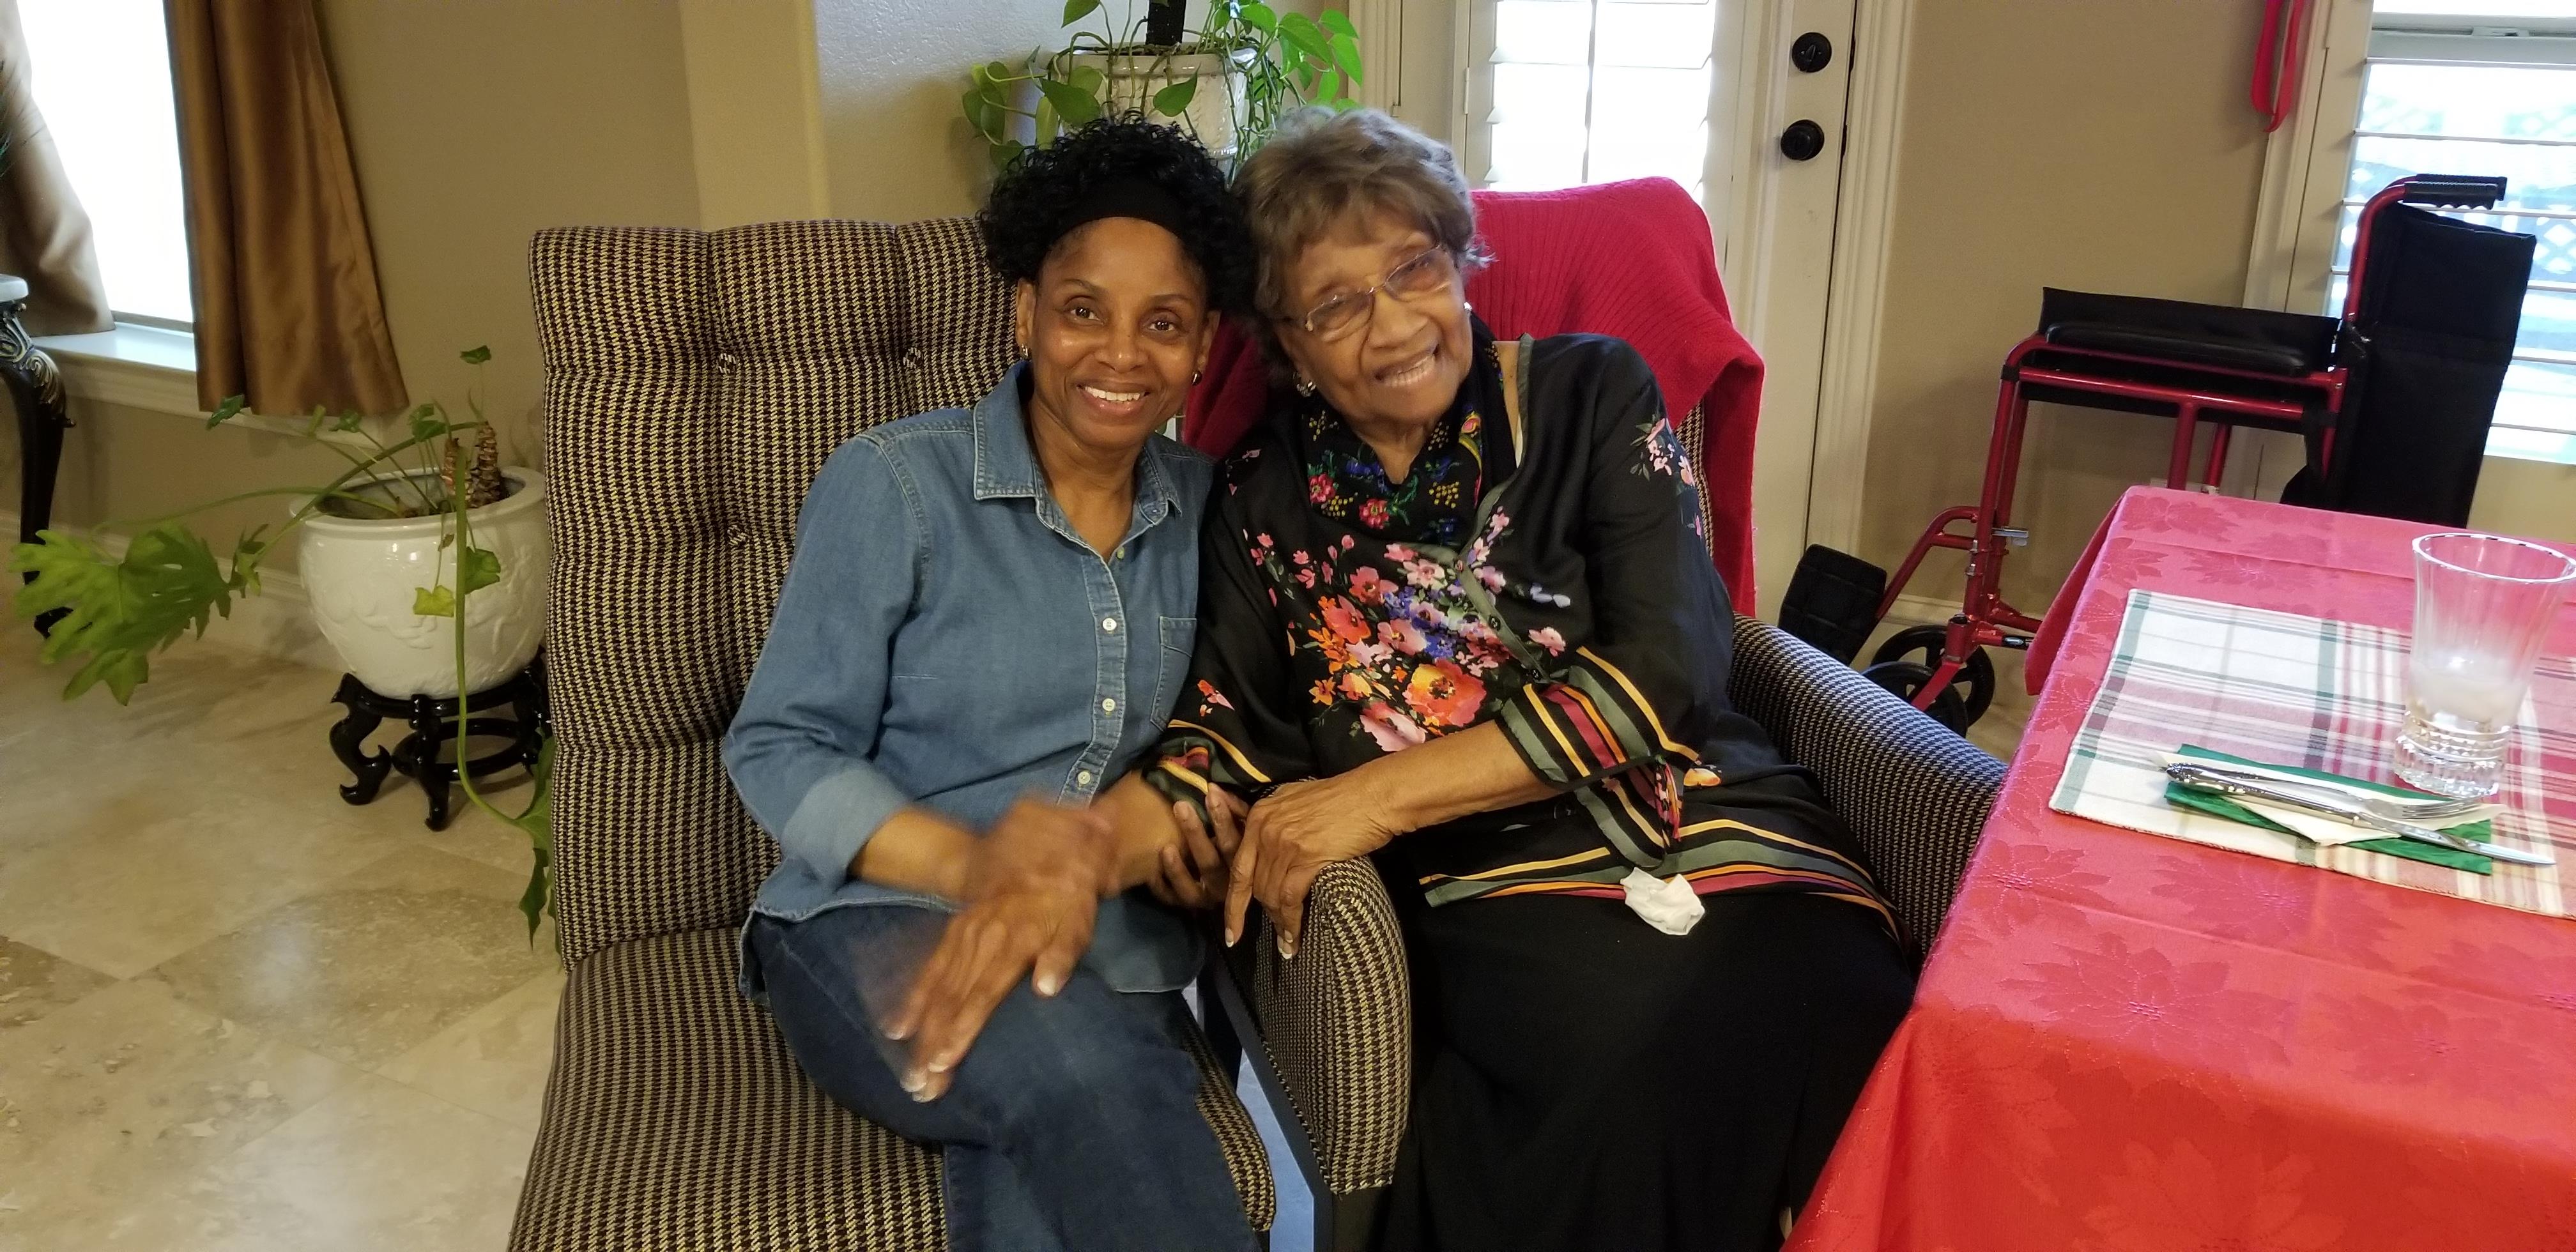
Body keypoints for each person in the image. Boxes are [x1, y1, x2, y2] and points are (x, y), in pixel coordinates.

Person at [1145, 107, 1916, 1252]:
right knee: (1608, 1042)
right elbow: (1229, 726)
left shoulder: (1591, 392)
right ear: (1288, 346)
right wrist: (1151, 820)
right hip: (1499, 890)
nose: (1395, 323)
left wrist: (1372, 798)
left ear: (1461, 264)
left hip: (1727, 829)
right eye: (1337, 304)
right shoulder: (1263, 502)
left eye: (1415, 267)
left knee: (1843, 1005)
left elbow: (1672, 659)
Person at [724, 117, 1261, 1252]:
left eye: (1162, 323)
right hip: (873, 918)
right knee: (1095, 1080)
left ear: (1205, 345)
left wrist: (1182, 829)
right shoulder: (898, 485)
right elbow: (778, 741)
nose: (1120, 354)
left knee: (1059, 1146)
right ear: (1024, 311)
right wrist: (986, 873)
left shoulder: (1217, 514)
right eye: (1082, 310)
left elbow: (1226, 738)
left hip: (1115, 948)